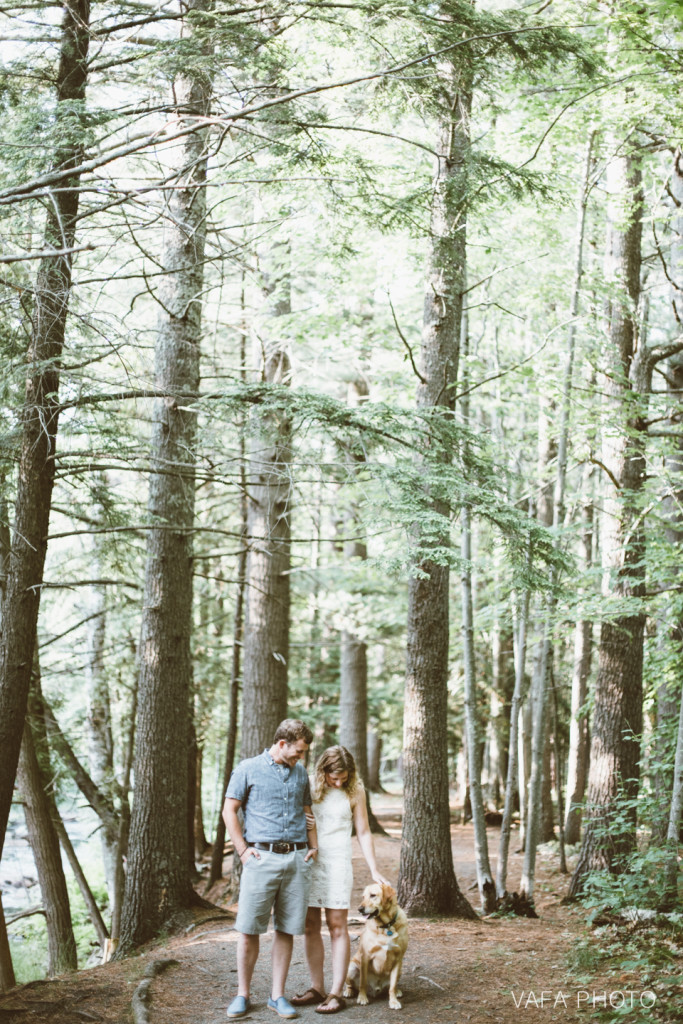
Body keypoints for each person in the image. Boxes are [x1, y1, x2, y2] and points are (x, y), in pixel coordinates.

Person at [223, 719, 319, 1020]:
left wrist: (312, 848)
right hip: (260, 859)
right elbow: (229, 810)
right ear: (282, 744)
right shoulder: (248, 768)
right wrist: (242, 850)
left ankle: (277, 996)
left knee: (287, 929)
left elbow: (307, 812)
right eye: (299, 751)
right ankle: (243, 994)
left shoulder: (300, 772)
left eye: (303, 753)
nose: (300, 757)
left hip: (296, 860)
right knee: (249, 929)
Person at [291, 746, 390, 1015]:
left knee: (337, 925)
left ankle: (336, 992)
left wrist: (373, 868)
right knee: (310, 925)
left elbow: (364, 831)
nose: (338, 782)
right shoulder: (308, 785)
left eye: (343, 777)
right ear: (323, 771)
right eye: (333, 778)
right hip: (309, 861)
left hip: (337, 863)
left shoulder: (356, 790)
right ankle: (317, 988)